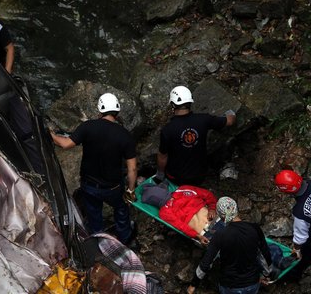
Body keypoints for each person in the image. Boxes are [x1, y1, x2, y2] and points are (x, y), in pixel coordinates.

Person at [50, 93, 137, 245]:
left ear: (100, 110)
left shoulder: (88, 127)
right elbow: (133, 169)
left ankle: (100, 242)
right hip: (113, 187)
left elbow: (65, 144)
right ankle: (125, 239)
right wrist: (130, 190)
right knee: (121, 210)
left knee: (94, 214)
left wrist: (50, 134)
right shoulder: (125, 135)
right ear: (117, 112)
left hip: (89, 184)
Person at [188, 197, 272, 294]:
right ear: (236, 209)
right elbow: (264, 255)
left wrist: (193, 285)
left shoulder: (220, 235)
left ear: (220, 216)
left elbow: (206, 263)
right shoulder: (254, 228)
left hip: (230, 286)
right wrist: (267, 275)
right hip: (252, 284)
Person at [155, 85, 236, 186]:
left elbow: (162, 156)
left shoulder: (168, 130)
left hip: (176, 178)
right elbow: (230, 121)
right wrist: (230, 112)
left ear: (173, 104)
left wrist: (160, 174)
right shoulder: (204, 120)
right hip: (199, 176)